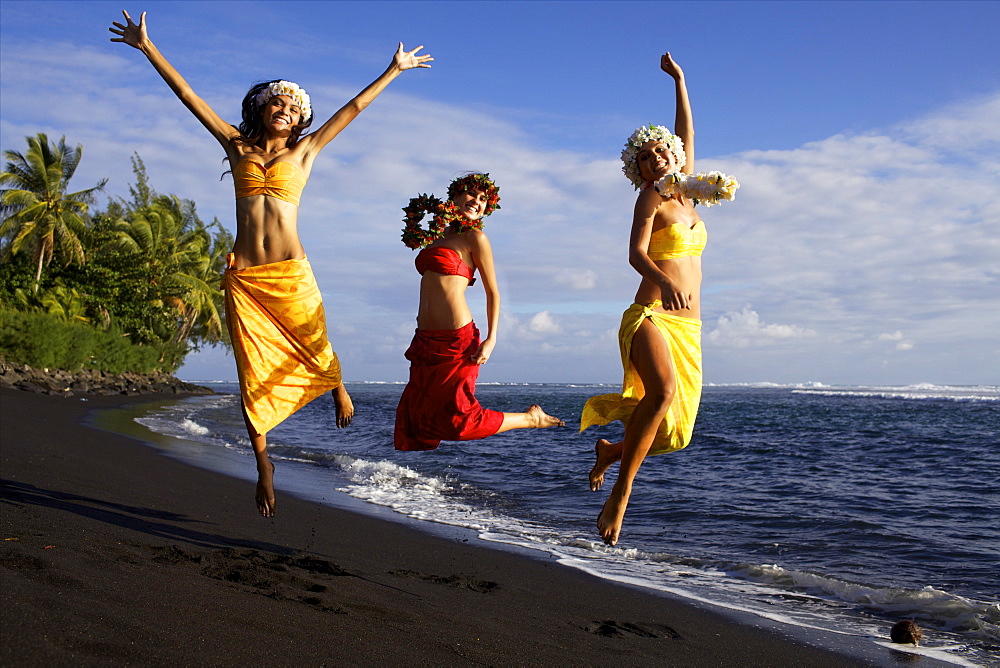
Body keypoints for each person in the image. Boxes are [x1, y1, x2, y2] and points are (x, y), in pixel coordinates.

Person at [110, 10, 432, 517]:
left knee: (313, 334)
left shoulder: (305, 153)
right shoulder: (235, 146)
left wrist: (394, 70)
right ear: (261, 109)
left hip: (290, 269)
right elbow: (189, 99)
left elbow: (352, 110)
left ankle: (334, 384)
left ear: (300, 119)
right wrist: (147, 48)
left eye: (292, 105)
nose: (283, 108)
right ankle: (264, 465)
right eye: (276, 101)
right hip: (246, 278)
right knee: (250, 371)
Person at [580, 52, 737, 546]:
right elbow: (634, 254)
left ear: (674, 156)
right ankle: (621, 497)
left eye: (660, 153)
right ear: (638, 168)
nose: (654, 160)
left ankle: (612, 452)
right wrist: (664, 281)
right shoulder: (650, 198)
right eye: (643, 157)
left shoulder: (689, 194)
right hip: (648, 314)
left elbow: (685, 128)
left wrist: (682, 80)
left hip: (687, 327)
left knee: (677, 432)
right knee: (661, 394)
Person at [394, 174, 564, 450]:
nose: (477, 202)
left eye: (484, 199)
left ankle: (530, 419)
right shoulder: (436, 236)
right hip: (425, 339)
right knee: (421, 412)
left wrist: (492, 338)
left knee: (460, 419)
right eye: (472, 194)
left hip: (455, 338)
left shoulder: (476, 238)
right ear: (456, 197)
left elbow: (493, 292)